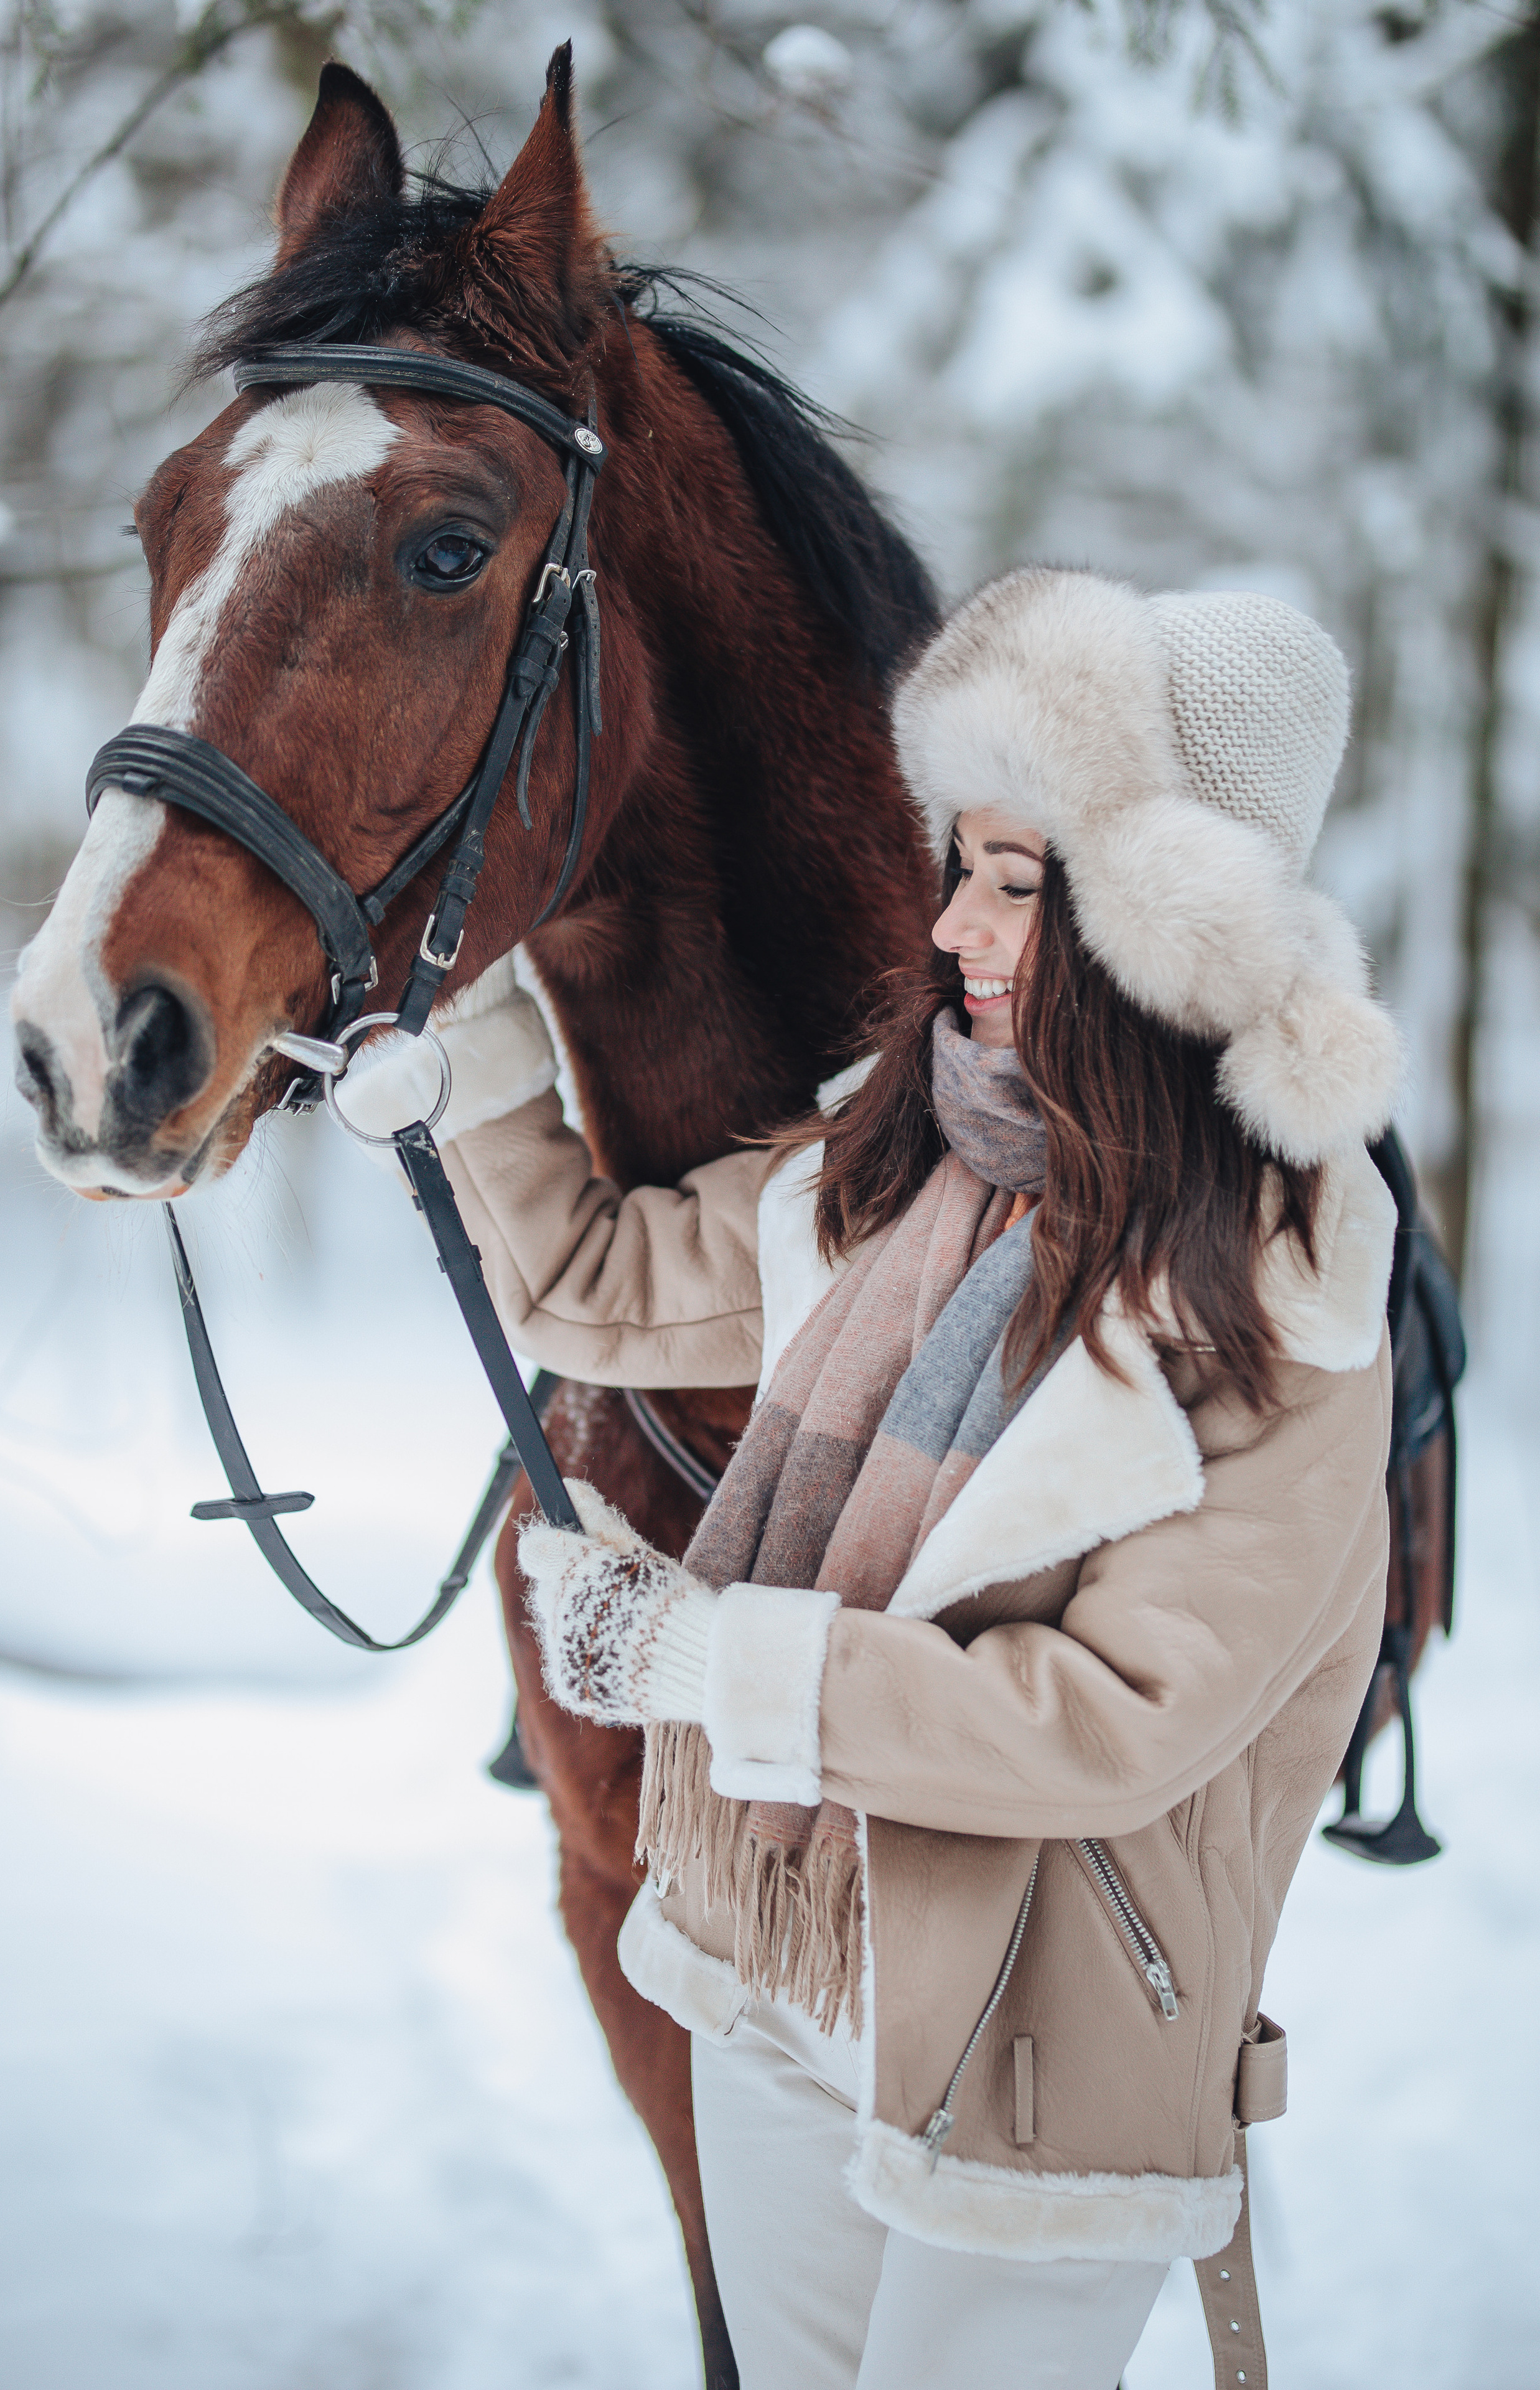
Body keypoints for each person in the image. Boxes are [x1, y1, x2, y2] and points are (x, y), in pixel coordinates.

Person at [348, 566, 1402, 2389]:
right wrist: (469, 1063)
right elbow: (591, 1283)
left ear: (1158, 931)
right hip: (782, 1974)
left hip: (1037, 2050)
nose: (958, 928)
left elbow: (1107, 1723)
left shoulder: (1282, 1311)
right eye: (962, 867)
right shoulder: (893, 1168)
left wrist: (702, 1666)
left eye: (1021, 882)